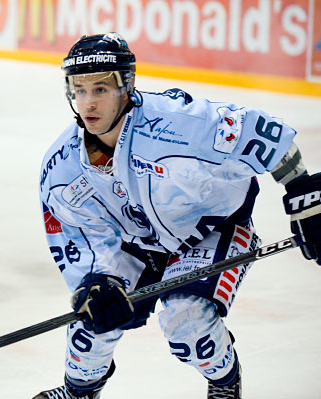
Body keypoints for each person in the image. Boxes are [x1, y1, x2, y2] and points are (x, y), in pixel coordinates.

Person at [36, 33, 321, 399]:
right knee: (90, 324)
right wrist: (98, 279)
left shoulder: (178, 124)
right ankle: (79, 392)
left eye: (101, 89)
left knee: (186, 320)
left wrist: (305, 194)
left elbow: (266, 133)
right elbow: (77, 231)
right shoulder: (62, 168)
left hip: (210, 230)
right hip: (138, 240)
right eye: (80, 90)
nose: (88, 103)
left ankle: (224, 383)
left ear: (127, 86)